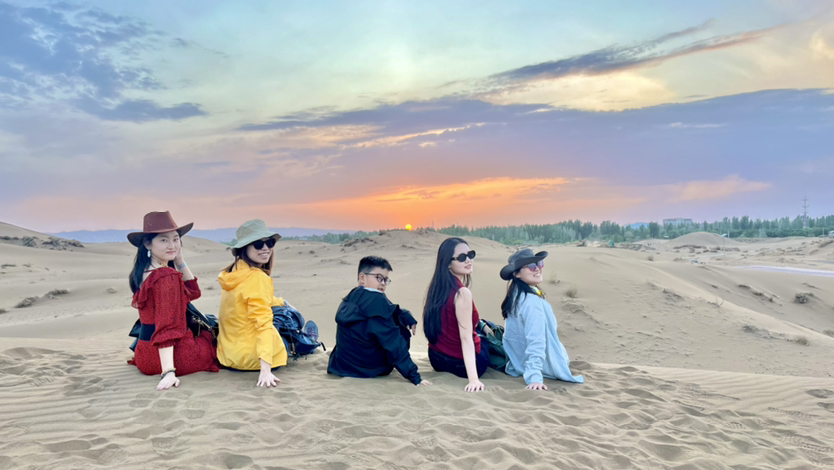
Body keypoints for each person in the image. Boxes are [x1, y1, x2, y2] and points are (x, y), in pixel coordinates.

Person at [127, 211, 219, 391]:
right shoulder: (166, 276)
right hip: (176, 357)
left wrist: (180, 261)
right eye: (164, 240)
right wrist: (168, 371)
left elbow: (193, 293)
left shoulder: (144, 271)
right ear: (147, 243)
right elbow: (167, 326)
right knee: (217, 343)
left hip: (145, 355)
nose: (172, 245)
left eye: (176, 239)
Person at [327, 256, 431, 386]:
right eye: (379, 278)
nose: (383, 283)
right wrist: (415, 377)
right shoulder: (377, 301)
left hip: (342, 366)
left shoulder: (352, 296)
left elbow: (386, 311)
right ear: (362, 278)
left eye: (386, 279)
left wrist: (404, 314)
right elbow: (394, 343)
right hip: (369, 370)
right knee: (399, 330)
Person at [499, 249, 584, 390]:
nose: (538, 269)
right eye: (531, 266)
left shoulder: (516, 295)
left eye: (539, 264)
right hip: (542, 366)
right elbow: (536, 340)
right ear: (517, 274)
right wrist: (535, 377)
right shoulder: (531, 301)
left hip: (518, 364)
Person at [217, 219, 288, 388]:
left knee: (281, 307)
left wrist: (280, 302)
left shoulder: (233, 273)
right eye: (258, 244)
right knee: (288, 319)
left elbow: (248, 300)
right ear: (244, 248)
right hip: (252, 359)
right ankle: (307, 341)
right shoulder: (257, 278)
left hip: (229, 356)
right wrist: (266, 369)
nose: (265, 248)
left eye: (269, 243)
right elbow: (263, 324)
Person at [423, 237, 488, 393]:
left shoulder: (436, 288)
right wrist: (473, 379)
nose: (468, 260)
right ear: (448, 263)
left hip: (436, 359)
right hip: (460, 365)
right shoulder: (462, 293)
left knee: (480, 326)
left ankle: (483, 325)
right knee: (487, 340)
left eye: (470, 254)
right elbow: (466, 338)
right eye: (462, 257)